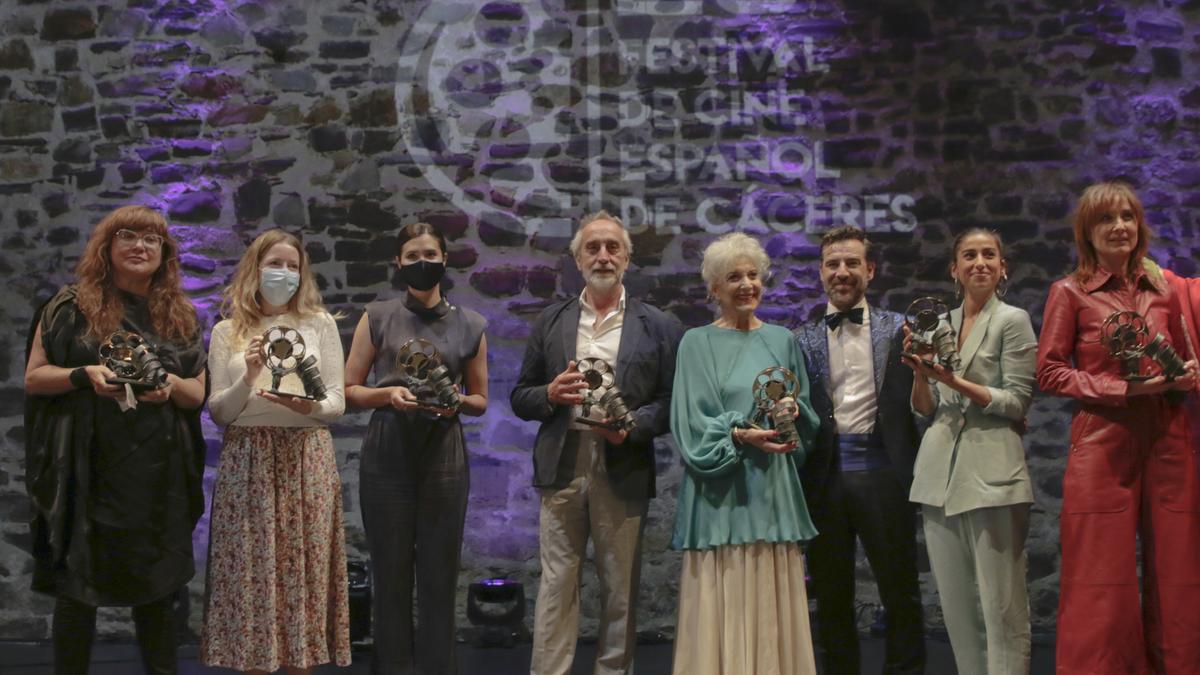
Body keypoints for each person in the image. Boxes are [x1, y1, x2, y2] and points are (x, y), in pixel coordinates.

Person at [23, 205, 207, 674]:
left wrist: (167, 384)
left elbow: (197, 394)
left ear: (164, 252)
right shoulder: (70, 305)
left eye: (151, 239)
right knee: (77, 591)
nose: (139, 245)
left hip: (156, 474)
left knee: (158, 592)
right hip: (87, 469)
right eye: (127, 235)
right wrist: (85, 374)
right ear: (107, 246)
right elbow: (36, 378)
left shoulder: (181, 316)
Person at [1036, 181, 1200, 674]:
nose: (1120, 227)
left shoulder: (1167, 288)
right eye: (1107, 219)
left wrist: (1183, 376)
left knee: (1178, 573)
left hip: (1168, 437)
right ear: (1087, 232)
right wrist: (1125, 390)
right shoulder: (1068, 293)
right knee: (1099, 577)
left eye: (1128, 216)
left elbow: (1183, 353)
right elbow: (1050, 372)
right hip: (1102, 440)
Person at [511, 211, 682, 675]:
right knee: (556, 585)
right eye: (593, 248)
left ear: (627, 257)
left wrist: (631, 426)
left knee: (620, 588)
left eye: (612, 247)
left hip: (622, 463)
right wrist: (549, 394)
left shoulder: (659, 325)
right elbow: (520, 396)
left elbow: (672, 401)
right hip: (562, 463)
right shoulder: (552, 320)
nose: (603, 256)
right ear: (576, 258)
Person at [669, 231, 820, 675]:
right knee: (724, 596)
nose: (747, 284)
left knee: (772, 597)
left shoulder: (782, 340)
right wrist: (739, 434)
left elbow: (804, 411)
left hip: (772, 489)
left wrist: (794, 410)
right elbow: (692, 422)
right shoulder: (696, 343)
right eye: (734, 277)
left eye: (754, 275)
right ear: (715, 289)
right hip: (721, 494)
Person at [201, 229, 350, 673]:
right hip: (248, 460)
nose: (284, 273)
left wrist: (307, 404)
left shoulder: (319, 323)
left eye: (292, 265)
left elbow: (337, 404)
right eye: (275, 263)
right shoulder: (228, 331)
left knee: (301, 581)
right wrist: (248, 376)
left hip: (306, 456)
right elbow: (219, 412)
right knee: (251, 581)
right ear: (254, 268)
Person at [344, 222, 488, 675]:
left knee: (439, 574)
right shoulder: (378, 315)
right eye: (412, 256)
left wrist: (456, 403)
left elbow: (481, 400)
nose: (421, 262)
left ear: (444, 261)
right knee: (389, 572)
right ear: (398, 263)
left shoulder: (471, 324)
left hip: (443, 449)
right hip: (389, 448)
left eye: (430, 254)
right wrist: (387, 395)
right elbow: (349, 388)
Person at [904, 228, 1036, 675]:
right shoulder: (940, 324)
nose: (979, 261)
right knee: (958, 613)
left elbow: (1017, 401)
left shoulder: (1012, 320)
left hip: (993, 476)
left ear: (1002, 268)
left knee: (1002, 611)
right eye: (969, 255)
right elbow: (925, 409)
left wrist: (953, 380)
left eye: (989, 254)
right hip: (939, 476)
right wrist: (921, 375)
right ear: (954, 269)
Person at [794, 225, 925, 674]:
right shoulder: (801, 339)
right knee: (831, 596)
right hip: (824, 477)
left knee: (900, 590)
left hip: (885, 471)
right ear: (821, 273)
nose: (842, 272)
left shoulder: (899, 330)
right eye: (833, 264)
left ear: (870, 270)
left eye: (852, 263)